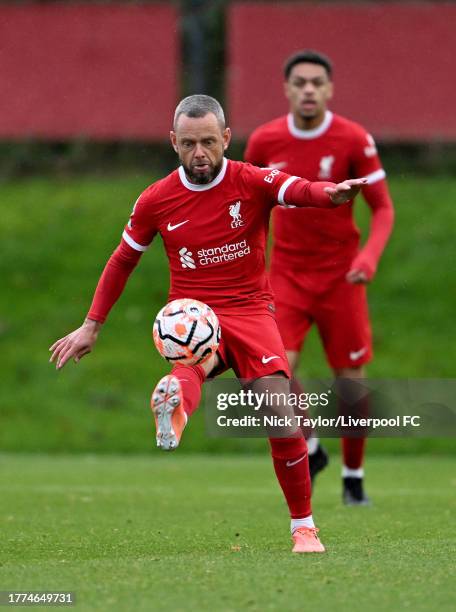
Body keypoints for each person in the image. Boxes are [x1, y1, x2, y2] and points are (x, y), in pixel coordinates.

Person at [49, 94, 365, 552]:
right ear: (174, 141)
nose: (200, 154)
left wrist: (328, 194)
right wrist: (91, 325)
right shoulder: (156, 199)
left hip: (252, 310)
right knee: (190, 362)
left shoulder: (248, 179)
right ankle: (175, 409)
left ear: (227, 139)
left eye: (210, 142)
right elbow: (122, 261)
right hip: (194, 315)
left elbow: (293, 187)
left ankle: (303, 528)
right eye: (190, 144)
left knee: (280, 411)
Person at [244, 50, 395, 505]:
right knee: (275, 367)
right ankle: (310, 445)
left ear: (329, 89)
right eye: (300, 82)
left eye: (317, 82)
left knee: (349, 380)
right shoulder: (264, 141)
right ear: (286, 88)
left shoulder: (352, 138)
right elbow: (252, 206)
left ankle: (354, 477)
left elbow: (383, 208)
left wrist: (367, 258)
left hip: (340, 278)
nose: (308, 89)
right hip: (286, 274)